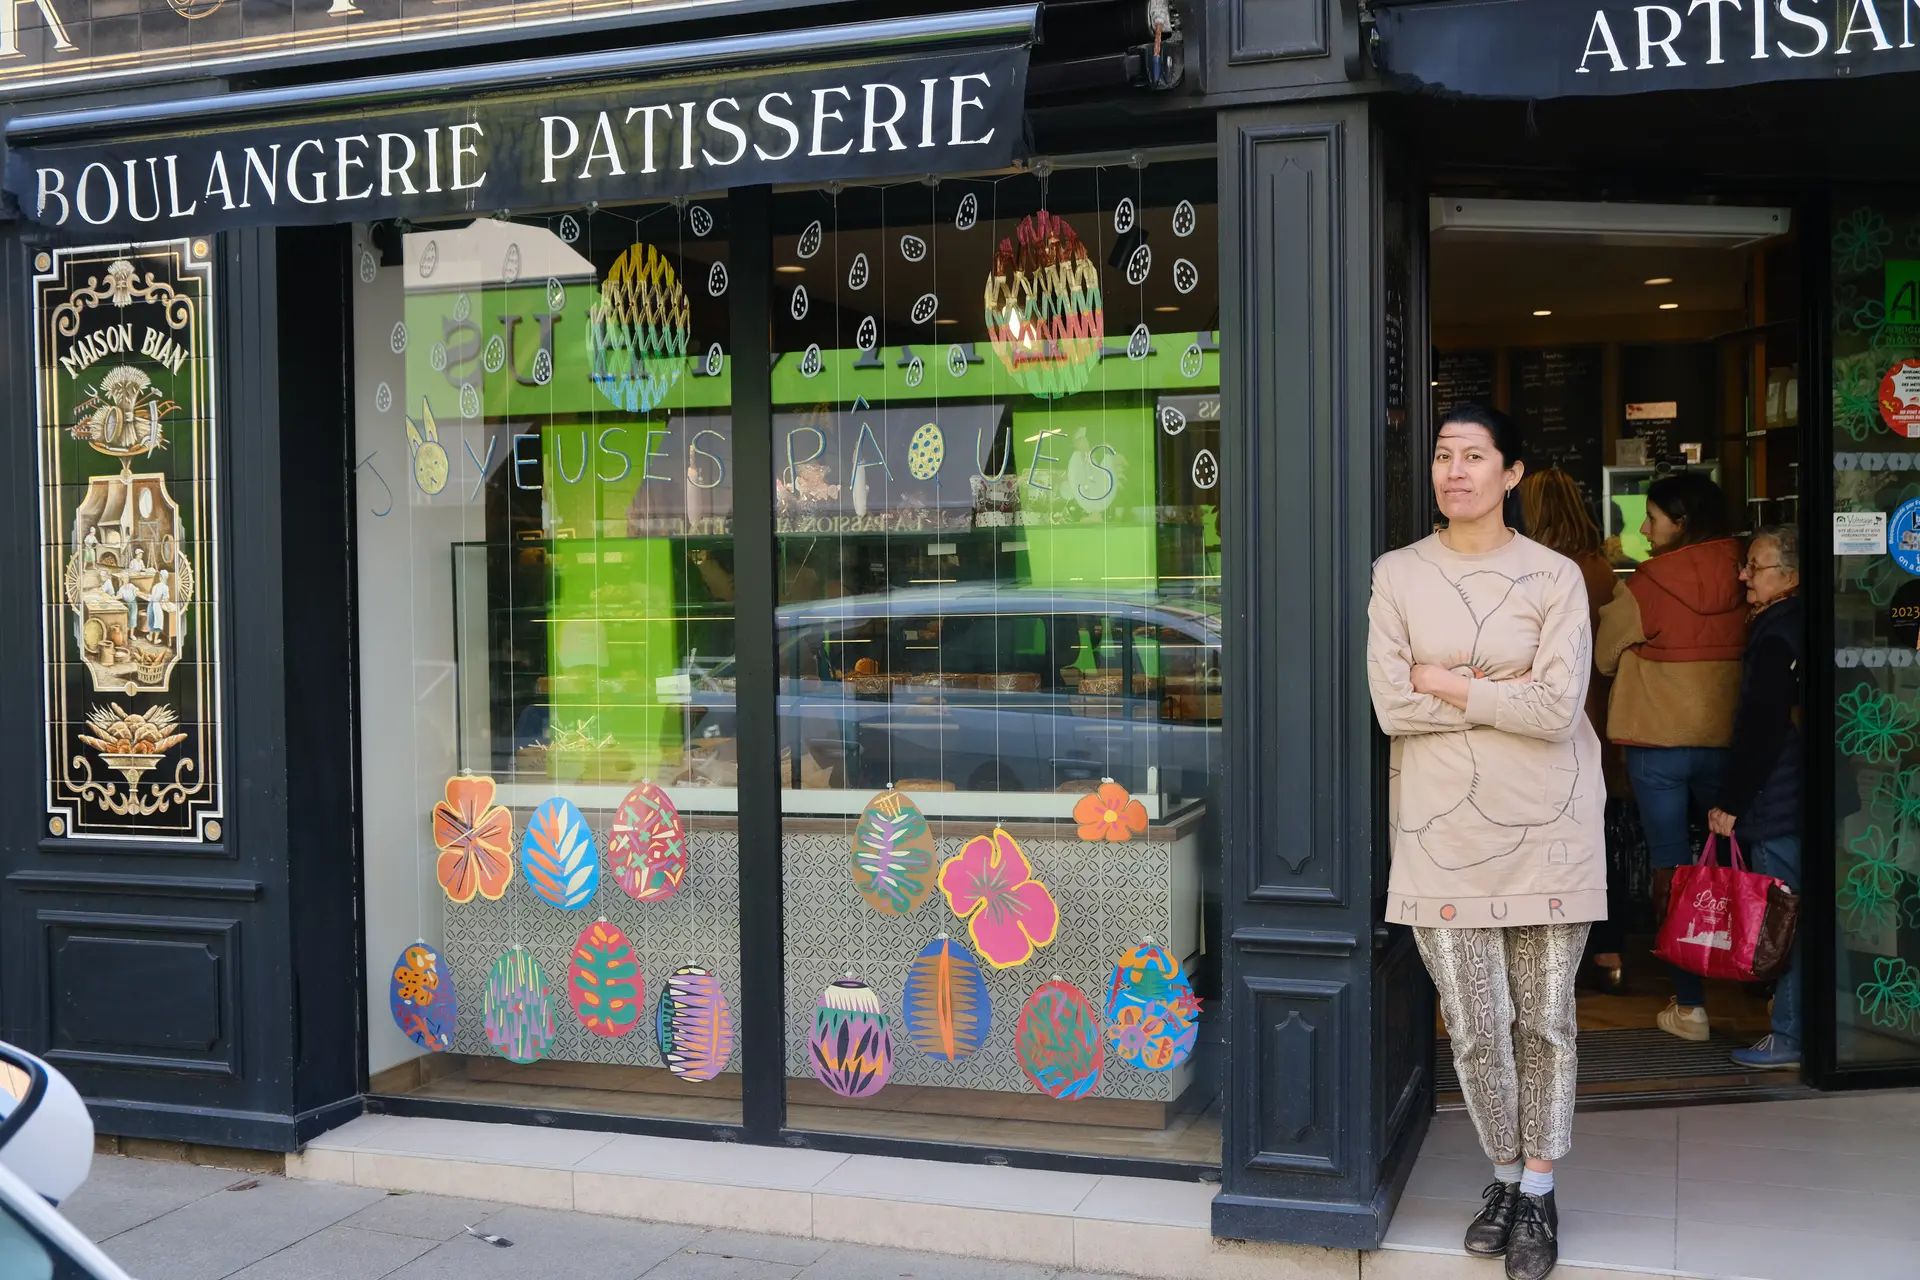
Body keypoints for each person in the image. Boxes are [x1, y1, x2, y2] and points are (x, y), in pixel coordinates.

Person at [1368, 404, 1605, 1280]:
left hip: (1551, 829)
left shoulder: (1553, 578)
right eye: (1442, 456)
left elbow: (1557, 709)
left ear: (1511, 473)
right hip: (1439, 833)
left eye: (1474, 456)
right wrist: (1496, 684)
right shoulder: (1396, 575)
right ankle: (1502, 1175)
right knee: (1473, 1027)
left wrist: (1446, 680)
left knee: (1545, 1021)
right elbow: (1392, 705)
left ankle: (1539, 1192)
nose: (1454, 471)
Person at [1596, 471, 1746, 1042]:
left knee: (1673, 869)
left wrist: (1643, 651)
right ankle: (1762, 981)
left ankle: (1690, 1005)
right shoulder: (1745, 568)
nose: (1642, 528)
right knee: (1742, 861)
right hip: (1729, 744)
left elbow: (1605, 658)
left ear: (1681, 523)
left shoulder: (1647, 584)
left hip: (1657, 744)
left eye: (1652, 517)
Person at [1519, 468, 1627, 992]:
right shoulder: (1600, 566)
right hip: (1598, 715)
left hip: (1552, 719)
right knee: (1596, 831)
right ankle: (1607, 950)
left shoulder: (1545, 571)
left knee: (1552, 834)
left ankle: (1554, 955)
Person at [1708, 525, 1804, 1069]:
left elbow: (1762, 728)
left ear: (1789, 576)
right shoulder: (1790, 624)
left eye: (1755, 566)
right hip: (1795, 790)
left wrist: (1732, 800)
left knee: (1784, 916)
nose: (1744, 575)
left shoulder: (1774, 636)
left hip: (1777, 797)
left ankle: (1789, 1033)